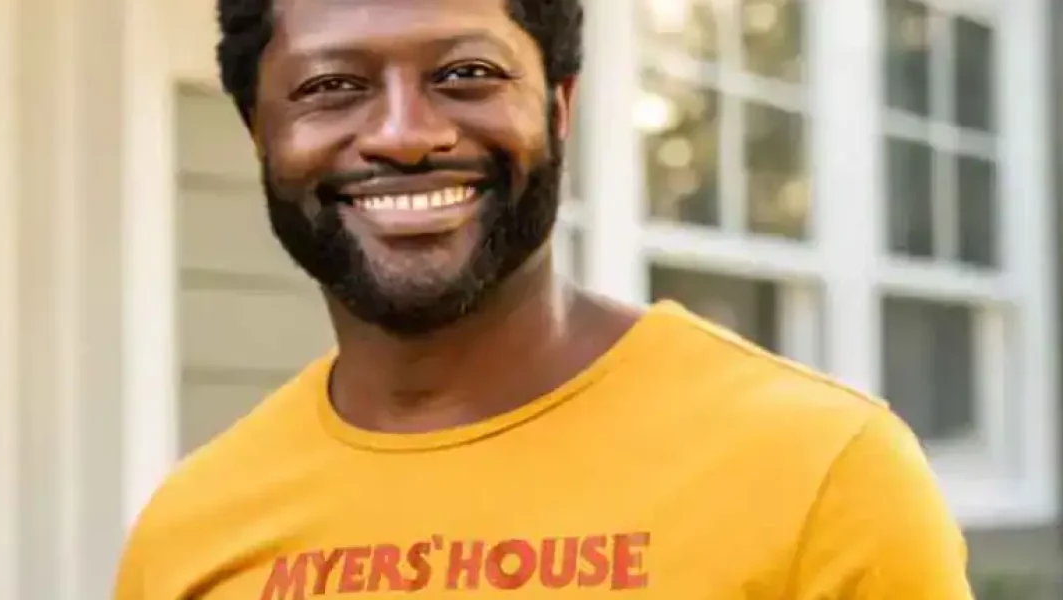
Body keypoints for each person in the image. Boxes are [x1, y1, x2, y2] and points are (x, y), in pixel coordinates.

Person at [114, 0, 974, 596]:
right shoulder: (191, 531)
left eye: (466, 73)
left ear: (560, 107)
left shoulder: (820, 473)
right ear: (261, 133)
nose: (407, 136)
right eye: (333, 86)